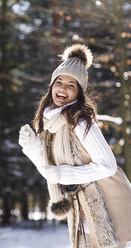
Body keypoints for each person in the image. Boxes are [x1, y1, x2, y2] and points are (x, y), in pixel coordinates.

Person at [18, 43, 131, 248]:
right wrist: (32, 147)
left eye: (71, 85)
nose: (62, 88)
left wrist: (62, 175)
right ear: (51, 86)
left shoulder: (80, 121)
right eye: (59, 81)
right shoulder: (49, 122)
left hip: (106, 200)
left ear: (79, 92)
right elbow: (50, 169)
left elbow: (108, 165)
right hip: (82, 203)